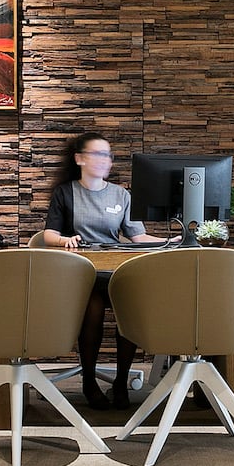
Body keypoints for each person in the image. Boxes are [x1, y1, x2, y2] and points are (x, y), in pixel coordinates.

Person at [40, 132, 169, 409]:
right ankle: (89, 381)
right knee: (92, 309)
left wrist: (174, 241)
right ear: (79, 159)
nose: (104, 160)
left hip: (115, 273)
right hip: (82, 275)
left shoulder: (121, 195)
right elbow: (48, 235)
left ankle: (121, 382)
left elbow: (138, 238)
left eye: (107, 155)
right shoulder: (66, 193)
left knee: (129, 307)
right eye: (97, 154)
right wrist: (65, 240)